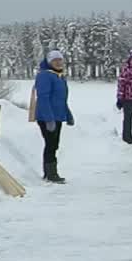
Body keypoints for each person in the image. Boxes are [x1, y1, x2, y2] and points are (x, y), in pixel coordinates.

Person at [34, 50, 74, 183]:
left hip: (57, 116)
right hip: (47, 117)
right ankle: (51, 174)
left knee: (54, 145)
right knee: (51, 145)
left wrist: (68, 115)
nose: (58, 62)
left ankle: (49, 173)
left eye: (60, 60)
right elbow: (43, 98)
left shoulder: (59, 76)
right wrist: (49, 119)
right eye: (55, 60)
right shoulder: (45, 75)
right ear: (49, 62)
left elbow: (62, 99)